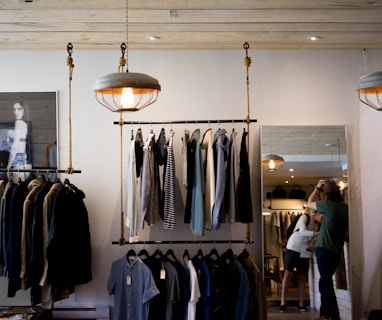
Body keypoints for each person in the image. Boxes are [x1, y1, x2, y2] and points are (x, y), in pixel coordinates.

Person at [307, 179, 349, 320]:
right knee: (324, 282)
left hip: (323, 248)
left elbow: (309, 203)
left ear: (326, 194)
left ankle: (334, 316)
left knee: (326, 283)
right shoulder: (345, 208)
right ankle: (324, 314)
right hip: (336, 251)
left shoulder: (326, 205)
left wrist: (316, 188)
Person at [280, 211, 322, 313]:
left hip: (305, 248)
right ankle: (282, 302)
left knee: (303, 277)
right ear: (317, 213)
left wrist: (313, 241)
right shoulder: (305, 217)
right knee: (287, 273)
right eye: (322, 215)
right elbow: (302, 232)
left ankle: (301, 304)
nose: (323, 218)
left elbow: (314, 238)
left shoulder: (319, 226)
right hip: (293, 246)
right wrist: (318, 233)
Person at [6, 97, 32, 181]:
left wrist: (9, 165)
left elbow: (15, 146)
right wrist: (8, 137)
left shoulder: (19, 123)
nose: (16, 112)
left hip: (18, 162)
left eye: (19, 109)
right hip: (24, 161)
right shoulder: (24, 124)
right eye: (14, 109)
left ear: (24, 110)